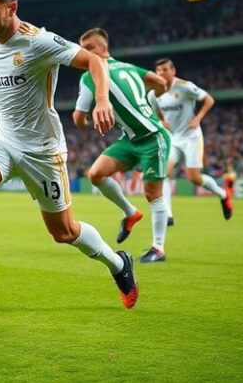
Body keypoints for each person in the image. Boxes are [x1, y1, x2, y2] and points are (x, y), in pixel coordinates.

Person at [0, 0, 138, 310]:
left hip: (42, 151)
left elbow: (94, 60)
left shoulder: (39, 42)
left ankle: (118, 263)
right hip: (5, 140)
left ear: (12, 8)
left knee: (64, 232)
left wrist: (102, 100)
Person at [72, 28, 171, 263]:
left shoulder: (88, 76)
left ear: (104, 48)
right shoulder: (129, 67)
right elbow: (161, 84)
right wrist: (149, 104)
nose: (85, 54)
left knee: (152, 193)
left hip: (152, 136)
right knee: (96, 174)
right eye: (82, 50)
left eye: (90, 48)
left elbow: (78, 117)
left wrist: (87, 121)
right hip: (130, 138)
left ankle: (158, 248)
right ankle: (130, 213)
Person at [148, 58, 233, 223]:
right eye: (158, 71)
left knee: (194, 178)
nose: (161, 73)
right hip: (173, 138)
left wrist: (198, 118)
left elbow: (209, 99)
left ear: (173, 71)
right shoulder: (153, 93)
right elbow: (155, 111)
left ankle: (223, 195)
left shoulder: (185, 86)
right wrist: (161, 121)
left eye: (165, 70)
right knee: (162, 173)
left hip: (191, 137)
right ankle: (168, 215)